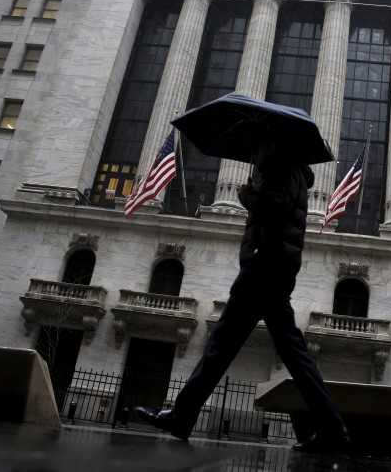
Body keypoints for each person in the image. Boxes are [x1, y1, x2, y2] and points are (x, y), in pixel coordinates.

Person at [136, 141, 350, 454]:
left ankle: (182, 416)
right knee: (285, 351)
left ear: (271, 147)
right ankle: (332, 427)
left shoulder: (284, 169)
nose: (253, 153)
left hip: (265, 266)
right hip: (272, 265)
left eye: (257, 148)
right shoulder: (288, 171)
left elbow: (274, 209)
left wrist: (247, 194)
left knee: (223, 344)